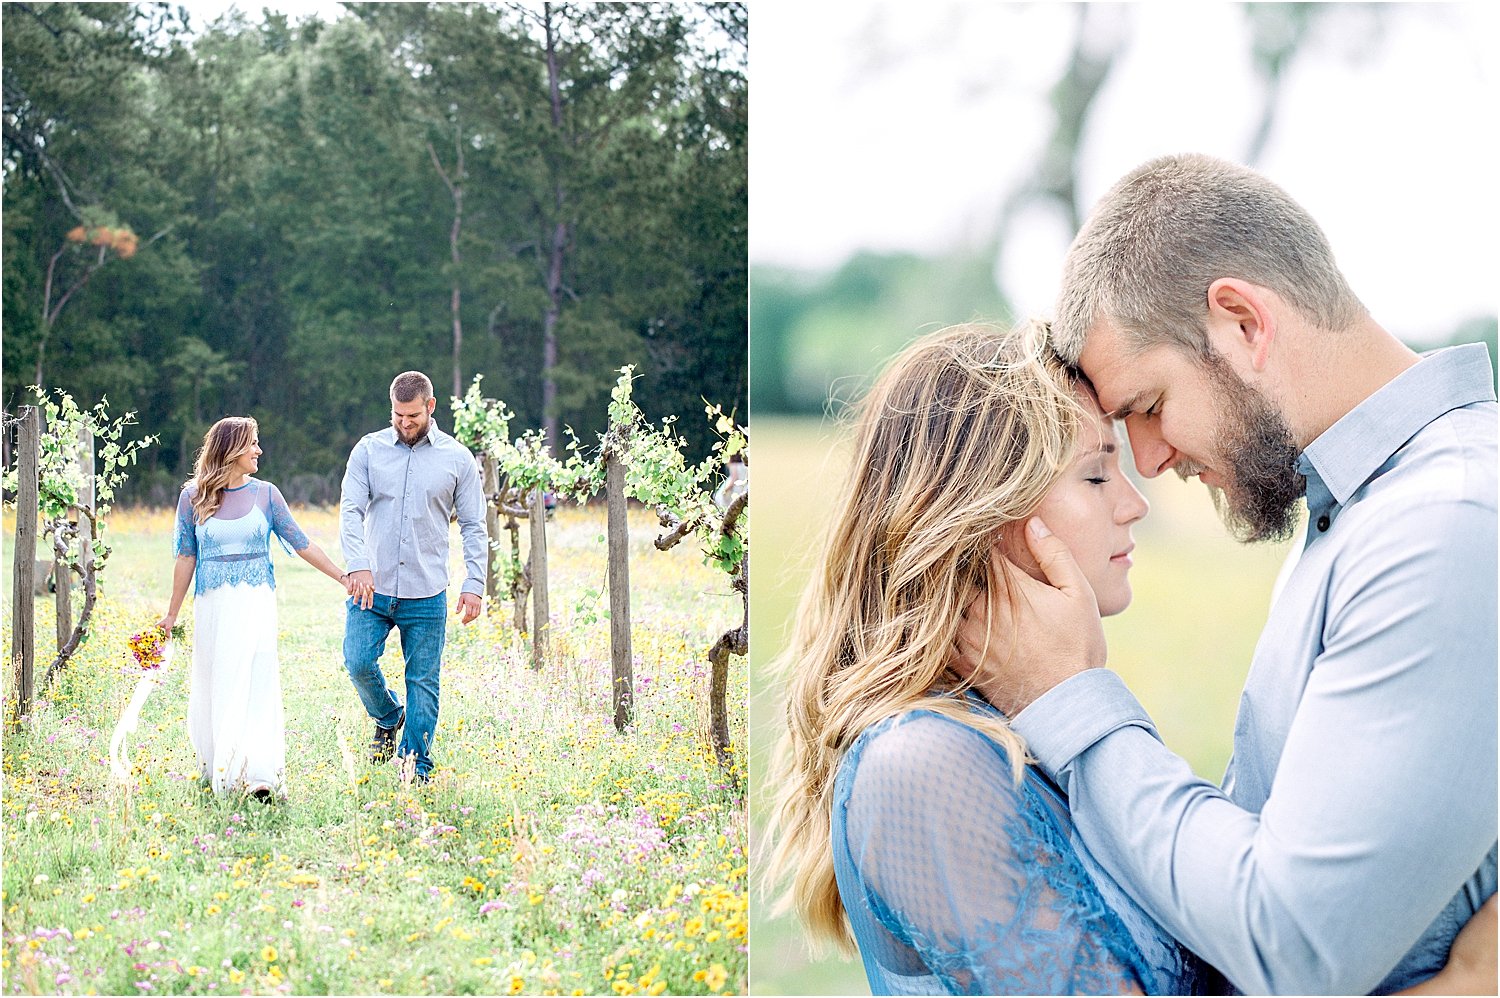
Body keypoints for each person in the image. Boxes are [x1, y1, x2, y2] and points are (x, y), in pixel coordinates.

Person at [765, 322, 1496, 996]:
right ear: (982, 517)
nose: (1134, 503)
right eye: (1095, 475)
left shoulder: (1020, 729)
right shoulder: (923, 766)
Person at [963, 154, 1497, 995]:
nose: (1149, 459)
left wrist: (1069, 698)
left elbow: (1295, 950)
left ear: (1243, 322)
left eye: (1146, 406)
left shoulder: (1443, 527)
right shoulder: (1358, 511)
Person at [160, 416, 348, 799]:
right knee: (219, 683)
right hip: (212, 606)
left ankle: (258, 775)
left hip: (255, 605)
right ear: (231, 449)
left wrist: (343, 577)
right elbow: (185, 557)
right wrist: (171, 613)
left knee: (256, 683)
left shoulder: (267, 494)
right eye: (252, 444)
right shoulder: (192, 497)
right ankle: (224, 770)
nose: (259, 450)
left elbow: (301, 543)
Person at [339, 371, 487, 784]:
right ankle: (388, 715)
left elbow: (475, 524)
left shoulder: (457, 459)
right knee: (357, 660)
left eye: (413, 416)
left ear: (431, 407)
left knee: (423, 679)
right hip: (372, 586)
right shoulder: (368, 451)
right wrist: (357, 563)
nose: (405, 424)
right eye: (398, 415)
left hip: (427, 592)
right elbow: (350, 510)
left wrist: (474, 583)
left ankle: (414, 765)